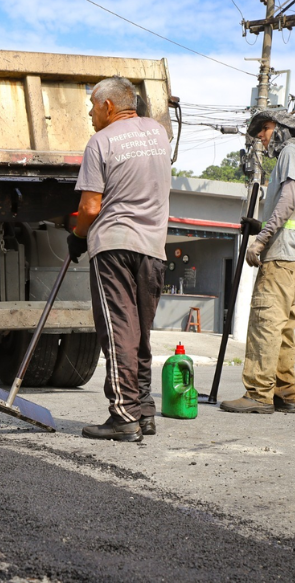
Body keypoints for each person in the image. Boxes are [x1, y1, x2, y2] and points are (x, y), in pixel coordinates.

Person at [68, 77, 170, 442]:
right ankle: (143, 412)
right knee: (141, 331)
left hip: (113, 246)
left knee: (118, 332)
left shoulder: (100, 142)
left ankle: (123, 417)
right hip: (153, 249)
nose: (90, 114)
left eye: (93, 106)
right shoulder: (159, 134)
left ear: (108, 107)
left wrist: (77, 236)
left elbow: (90, 207)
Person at [220, 110, 295, 415]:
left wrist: (262, 239)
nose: (261, 136)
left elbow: (288, 200)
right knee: (284, 329)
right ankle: (285, 394)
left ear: (280, 129)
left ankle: (259, 393)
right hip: (294, 257)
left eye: (264, 129)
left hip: (279, 258)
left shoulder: (289, 152)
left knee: (265, 323)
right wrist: (261, 225)